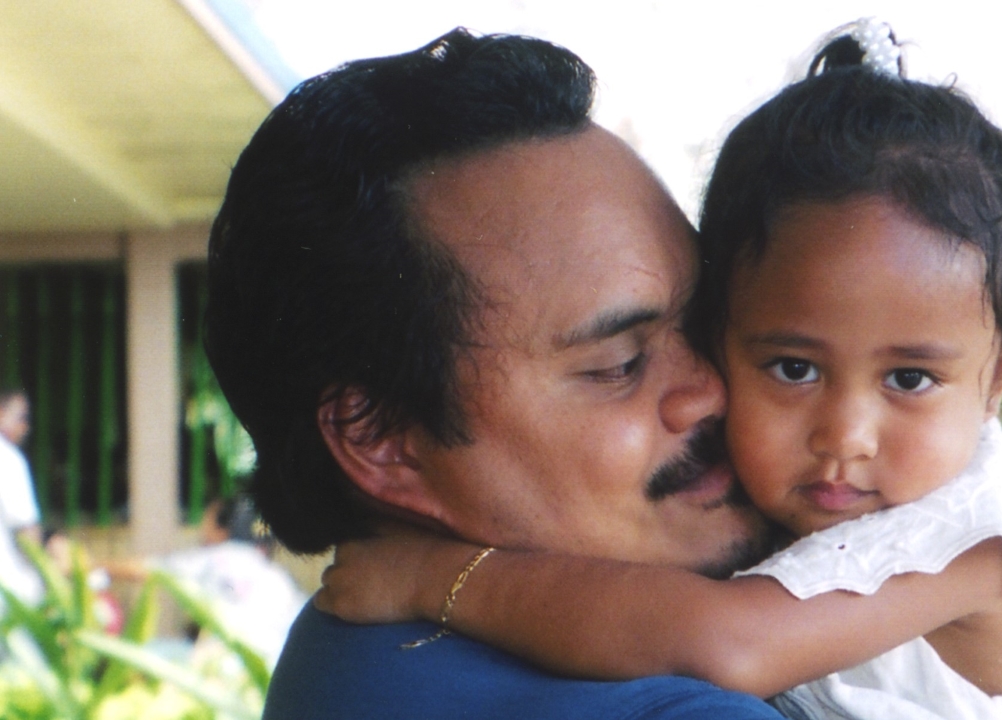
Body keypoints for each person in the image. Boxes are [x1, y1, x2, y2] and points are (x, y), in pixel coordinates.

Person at [319, 21, 1002, 720]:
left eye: (908, 380)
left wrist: (438, 582)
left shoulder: (969, 539)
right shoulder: (822, 514)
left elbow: (727, 644)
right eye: (794, 367)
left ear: (1001, 370)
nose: (845, 435)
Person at [207, 29, 781, 720]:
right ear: (379, 439)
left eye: (704, 322)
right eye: (618, 365)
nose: (711, 390)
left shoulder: (343, 657)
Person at [102, 496, 306, 664]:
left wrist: (84, 565)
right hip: (274, 675)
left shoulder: (218, 557)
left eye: (206, 522)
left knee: (133, 658)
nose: (202, 531)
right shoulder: (280, 577)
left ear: (222, 530)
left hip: (225, 670)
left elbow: (145, 570)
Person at [0, 384, 42, 605]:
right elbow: (26, 530)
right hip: (9, 590)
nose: (25, 427)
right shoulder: (8, 459)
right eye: (21, 418)